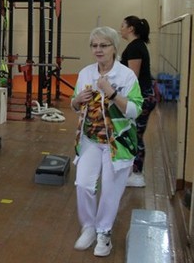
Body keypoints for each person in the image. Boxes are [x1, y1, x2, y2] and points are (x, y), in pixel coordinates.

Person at [71, 26, 143, 257]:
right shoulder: (85, 73)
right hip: (90, 139)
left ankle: (104, 232)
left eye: (104, 45)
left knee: (111, 190)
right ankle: (89, 226)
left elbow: (135, 110)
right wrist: (77, 100)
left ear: (114, 47)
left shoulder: (126, 76)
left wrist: (111, 93)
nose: (98, 50)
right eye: (94, 46)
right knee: (83, 184)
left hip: (118, 143)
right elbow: (74, 105)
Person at [120, 16, 156, 188]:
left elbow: (132, 77)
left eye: (123, 25)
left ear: (131, 29)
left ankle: (136, 174)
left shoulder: (135, 47)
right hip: (143, 96)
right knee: (133, 134)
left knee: (136, 136)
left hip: (142, 98)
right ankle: (132, 170)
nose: (120, 28)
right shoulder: (136, 46)